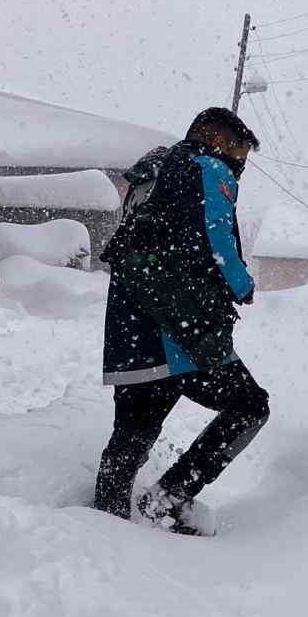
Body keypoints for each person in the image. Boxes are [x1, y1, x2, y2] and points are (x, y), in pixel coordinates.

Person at [93, 107, 269, 532]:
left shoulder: (151, 174)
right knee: (250, 406)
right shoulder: (208, 166)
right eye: (240, 157)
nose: (239, 169)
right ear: (218, 140)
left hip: (129, 330)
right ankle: (167, 498)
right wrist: (243, 285)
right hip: (178, 331)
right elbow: (217, 239)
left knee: (131, 436)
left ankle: (102, 526)